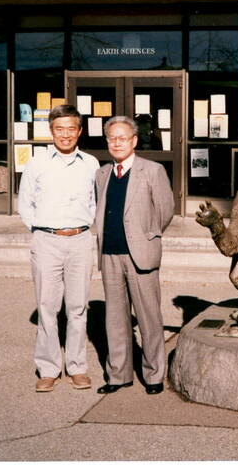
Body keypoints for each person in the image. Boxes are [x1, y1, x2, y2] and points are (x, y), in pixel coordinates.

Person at [17, 104, 100, 393]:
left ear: (79, 131)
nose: (65, 134)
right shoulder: (37, 163)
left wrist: (82, 226)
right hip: (47, 241)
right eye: (59, 129)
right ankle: (49, 369)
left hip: (80, 241)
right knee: (47, 307)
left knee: (77, 307)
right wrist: (43, 230)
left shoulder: (90, 164)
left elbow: (95, 202)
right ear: (51, 131)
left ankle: (77, 367)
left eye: (71, 129)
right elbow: (25, 204)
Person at [94, 116, 175, 395]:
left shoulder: (152, 171)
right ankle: (119, 374)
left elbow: (165, 210)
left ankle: (153, 375)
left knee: (149, 317)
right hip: (109, 253)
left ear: (134, 141)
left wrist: (146, 236)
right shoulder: (102, 173)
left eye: (122, 138)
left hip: (140, 254)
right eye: (112, 138)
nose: (117, 143)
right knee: (115, 319)